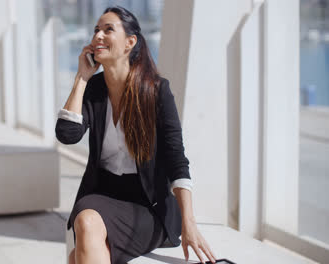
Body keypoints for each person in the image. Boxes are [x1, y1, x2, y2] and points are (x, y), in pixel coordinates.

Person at [55, 6, 217, 264]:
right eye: (96, 29)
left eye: (108, 30)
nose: (98, 36)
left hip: (148, 206)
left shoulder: (156, 91)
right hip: (103, 194)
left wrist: (189, 223)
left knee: (78, 254)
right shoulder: (94, 89)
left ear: (130, 42)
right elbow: (67, 135)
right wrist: (81, 79)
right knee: (84, 225)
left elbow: (176, 159)